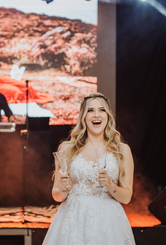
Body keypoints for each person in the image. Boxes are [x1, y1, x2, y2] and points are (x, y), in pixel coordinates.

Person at [44, 93, 136, 245]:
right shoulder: (66, 149)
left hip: (108, 222)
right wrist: (64, 189)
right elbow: (57, 196)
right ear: (83, 117)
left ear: (108, 116)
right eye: (90, 110)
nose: (96, 115)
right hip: (73, 220)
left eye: (101, 110)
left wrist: (110, 185)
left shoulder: (122, 150)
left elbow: (126, 197)